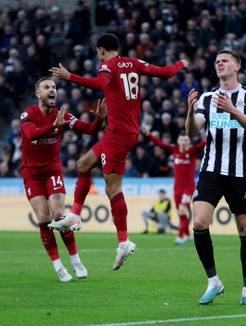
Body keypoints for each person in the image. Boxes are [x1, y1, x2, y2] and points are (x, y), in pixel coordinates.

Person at [48, 33, 189, 270]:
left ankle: (123, 241)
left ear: (102, 50)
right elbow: (164, 72)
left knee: (113, 188)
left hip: (119, 134)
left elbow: (102, 83)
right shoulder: (133, 63)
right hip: (122, 131)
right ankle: (75, 214)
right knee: (83, 164)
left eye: (97, 52)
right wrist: (180, 65)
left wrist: (69, 76)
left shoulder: (107, 66)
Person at [186, 50, 246, 306]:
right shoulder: (207, 98)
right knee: (198, 222)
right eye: (217, 61)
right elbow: (194, 131)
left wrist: (232, 110)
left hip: (241, 174)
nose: (219, 64)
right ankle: (213, 281)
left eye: (225, 60)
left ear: (237, 66)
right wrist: (189, 113)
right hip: (211, 171)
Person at [20, 77, 106, 282]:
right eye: (47, 87)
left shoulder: (63, 115)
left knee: (59, 215)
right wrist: (54, 126)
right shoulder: (28, 114)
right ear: (38, 94)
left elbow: (89, 129)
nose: (52, 90)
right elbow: (31, 135)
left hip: (52, 170)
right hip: (31, 173)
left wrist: (100, 120)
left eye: (54, 87)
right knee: (43, 218)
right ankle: (58, 266)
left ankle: (76, 261)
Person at [141, 127, 205, 244]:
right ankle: (187, 235)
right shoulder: (174, 150)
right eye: (182, 140)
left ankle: (180, 237)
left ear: (189, 141)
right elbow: (159, 143)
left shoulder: (193, 151)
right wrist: (148, 134)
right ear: (178, 141)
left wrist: (213, 133)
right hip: (177, 188)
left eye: (186, 140)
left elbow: (204, 143)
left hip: (188, 186)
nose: (184, 142)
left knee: (182, 209)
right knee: (180, 212)